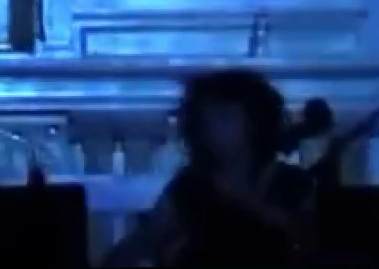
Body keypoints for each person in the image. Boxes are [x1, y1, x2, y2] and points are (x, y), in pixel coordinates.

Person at [104, 71, 314, 268]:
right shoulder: (188, 188)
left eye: (224, 117)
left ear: (256, 122)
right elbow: (140, 245)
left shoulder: (291, 183)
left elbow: (311, 245)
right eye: (205, 118)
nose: (211, 128)